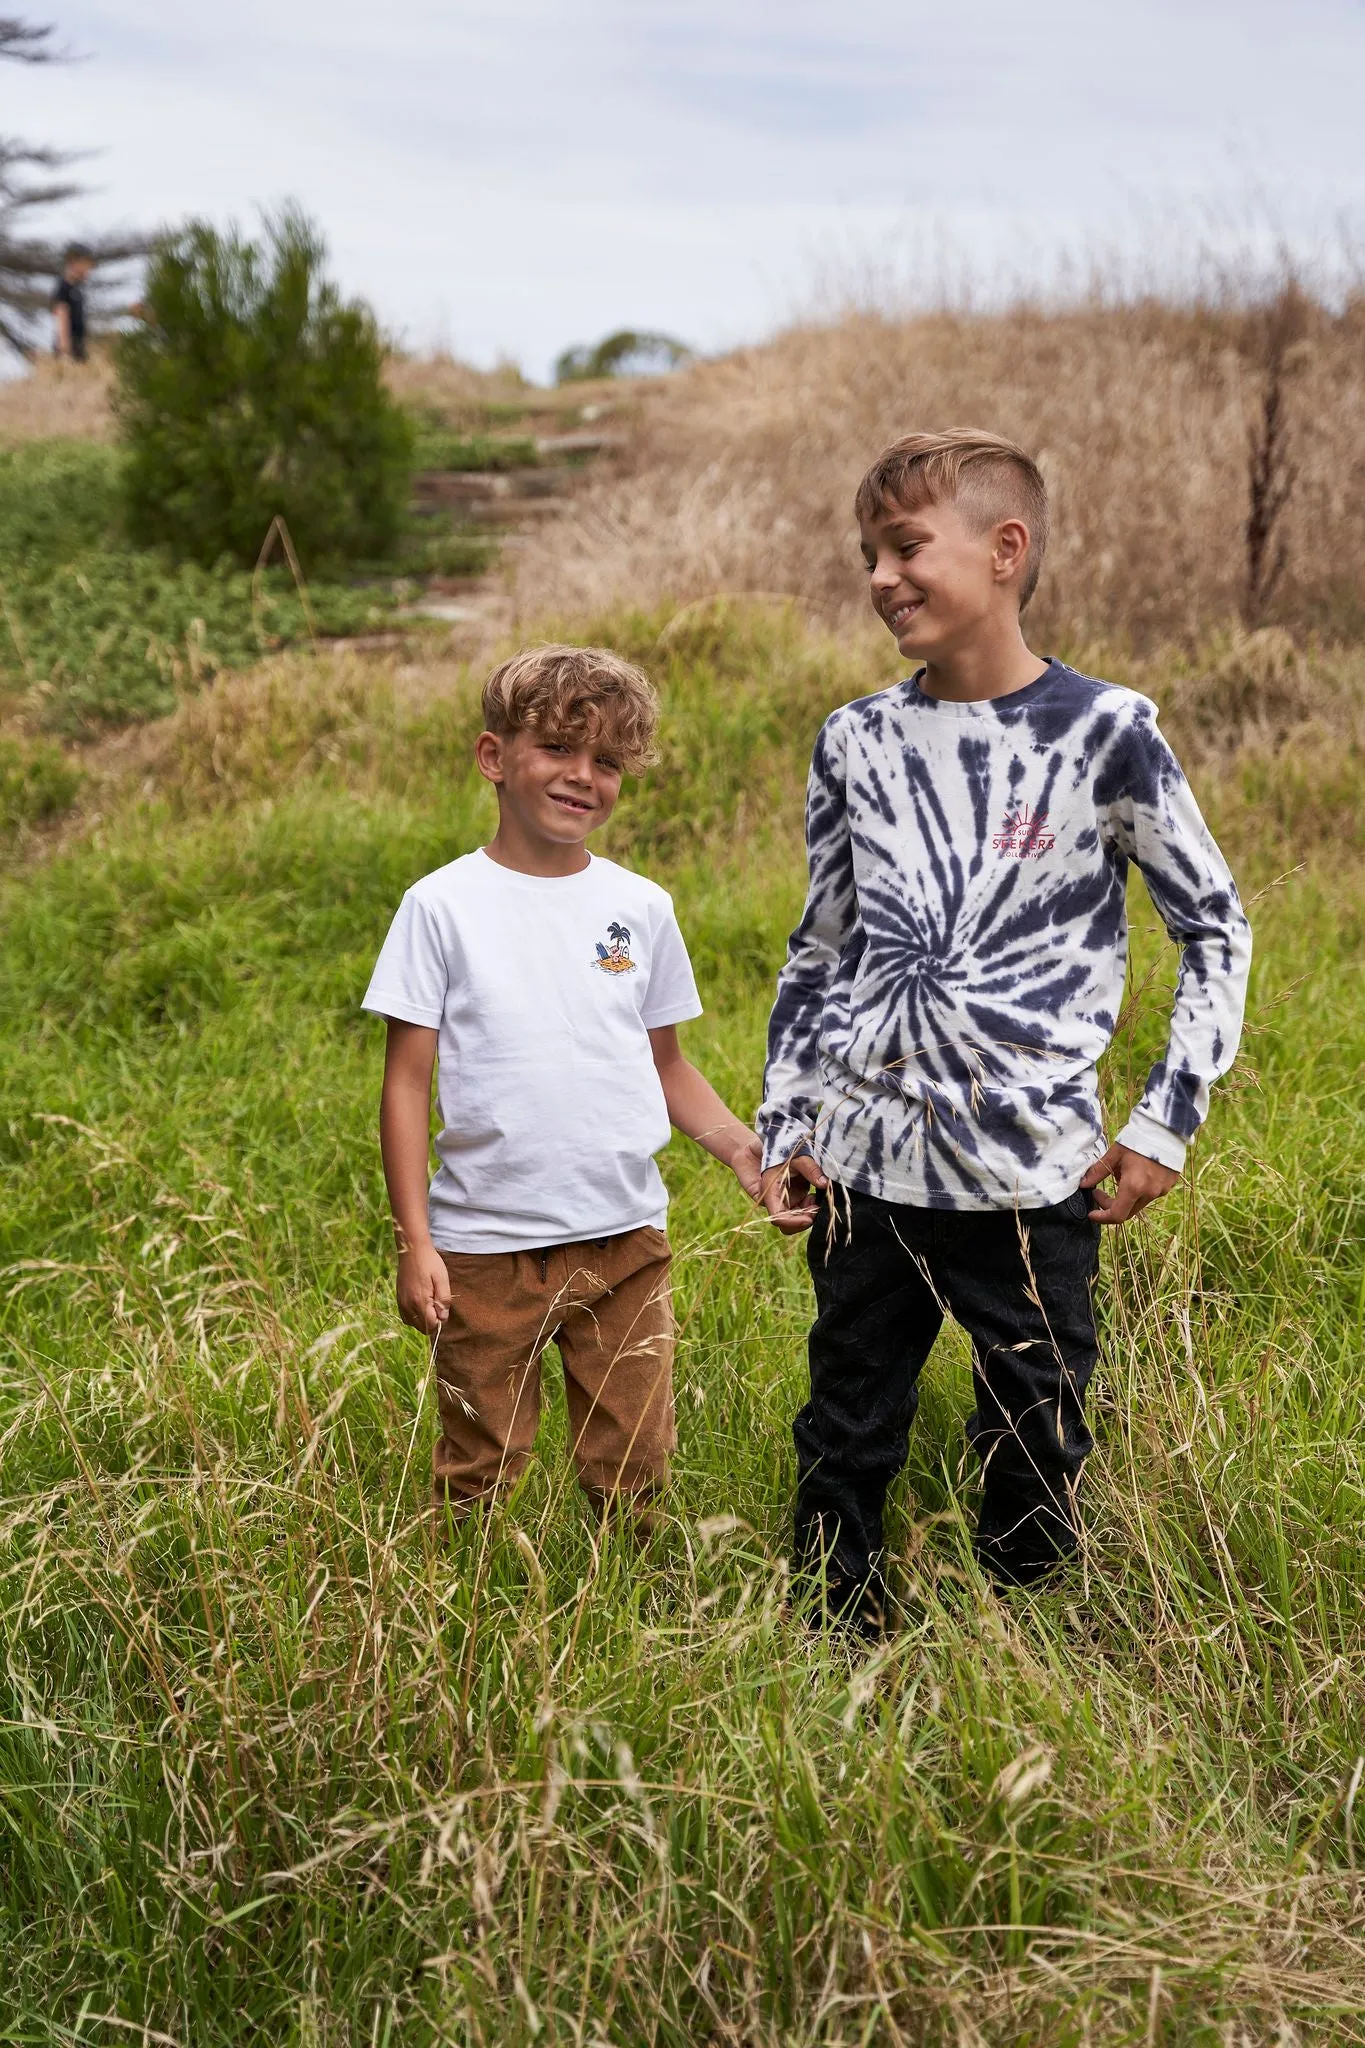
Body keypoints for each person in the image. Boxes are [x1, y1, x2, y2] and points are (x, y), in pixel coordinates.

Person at [758, 428, 1252, 1630]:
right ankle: (838, 1639)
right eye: (869, 553)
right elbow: (820, 948)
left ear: (1005, 549)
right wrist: (788, 1118)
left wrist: (1163, 1125)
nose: (881, 577)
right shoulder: (855, 741)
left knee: (1036, 1422)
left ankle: (1023, 1645)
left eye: (907, 546)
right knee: (847, 1423)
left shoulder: (1109, 732)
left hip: (1036, 1175)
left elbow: (1216, 929)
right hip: (867, 1166)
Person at [364, 644, 762, 1526]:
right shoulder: (442, 906)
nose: (583, 776)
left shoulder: (641, 908)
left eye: (608, 761)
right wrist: (414, 1242)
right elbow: (406, 1083)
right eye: (556, 749)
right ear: (493, 758)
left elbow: (666, 1065)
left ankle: (630, 1597)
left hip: (623, 1238)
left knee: (634, 1461)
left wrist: (737, 1145)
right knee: (479, 1461)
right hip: (483, 1245)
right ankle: (466, 1604)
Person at [52, 243, 94, 363]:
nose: (88, 270)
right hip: (69, 348)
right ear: (73, 262)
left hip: (78, 345)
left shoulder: (78, 287)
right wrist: (65, 346)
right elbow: (61, 314)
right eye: (85, 265)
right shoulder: (63, 287)